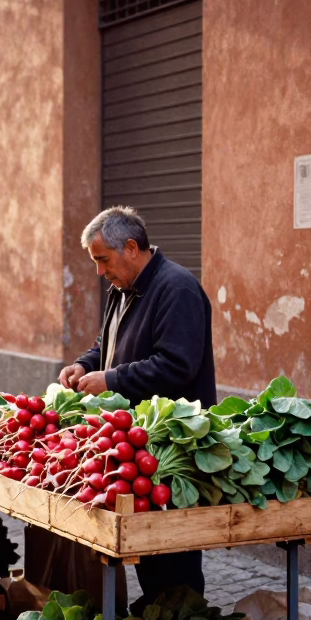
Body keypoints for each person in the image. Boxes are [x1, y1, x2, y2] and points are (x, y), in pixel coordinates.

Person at [58, 205, 216, 600]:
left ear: (131, 247)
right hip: (134, 442)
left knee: (170, 555)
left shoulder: (176, 288)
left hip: (171, 446)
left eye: (102, 260)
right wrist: (84, 365)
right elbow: (105, 344)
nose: (99, 271)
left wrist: (110, 379)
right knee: (144, 549)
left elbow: (177, 365)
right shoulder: (121, 290)